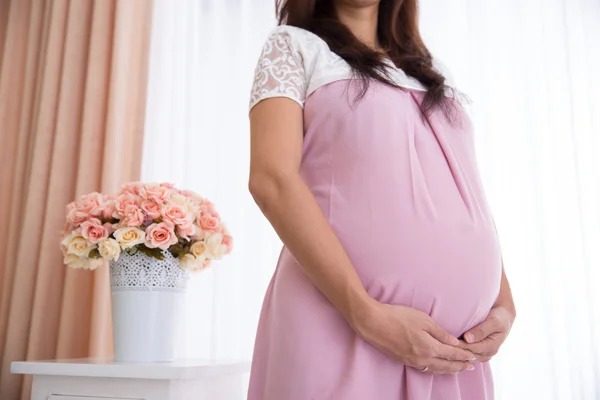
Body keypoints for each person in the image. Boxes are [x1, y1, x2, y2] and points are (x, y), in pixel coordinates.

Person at [247, 0, 516, 399]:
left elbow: (467, 192)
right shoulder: (295, 48)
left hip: (453, 354)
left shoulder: (431, 70)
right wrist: (366, 315)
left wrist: (503, 303)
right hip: (338, 324)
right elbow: (272, 180)